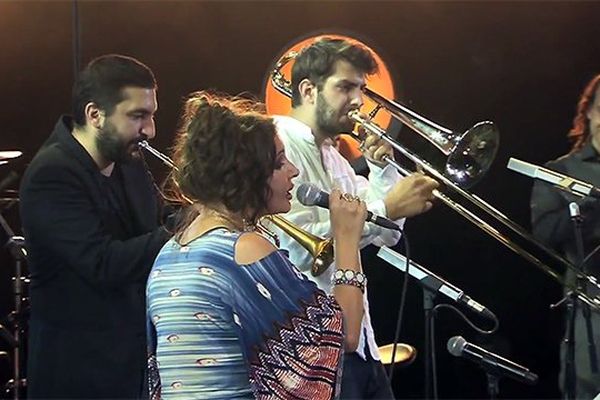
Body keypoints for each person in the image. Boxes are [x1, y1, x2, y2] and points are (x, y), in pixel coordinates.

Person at [146, 92, 369, 399]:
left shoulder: (168, 254)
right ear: (247, 174)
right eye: (279, 162)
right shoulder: (245, 250)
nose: (294, 170)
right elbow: (344, 336)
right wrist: (347, 240)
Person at [272, 37, 439, 399]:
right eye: (345, 87)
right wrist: (387, 208)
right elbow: (298, 246)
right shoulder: (279, 143)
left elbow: (387, 235)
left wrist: (381, 170)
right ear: (308, 90)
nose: (359, 101)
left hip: (359, 341)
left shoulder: (334, 157)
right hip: (313, 349)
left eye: (361, 89)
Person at [19, 54, 171, 399]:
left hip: (129, 366)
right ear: (94, 115)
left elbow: (154, 226)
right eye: (138, 116)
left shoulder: (129, 162)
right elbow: (102, 264)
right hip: (80, 373)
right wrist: (180, 232)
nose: (150, 130)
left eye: (151, 116)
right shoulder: (52, 173)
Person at [531, 73, 600, 399]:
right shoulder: (560, 172)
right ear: (588, 112)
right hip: (593, 320)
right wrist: (589, 209)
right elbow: (545, 234)